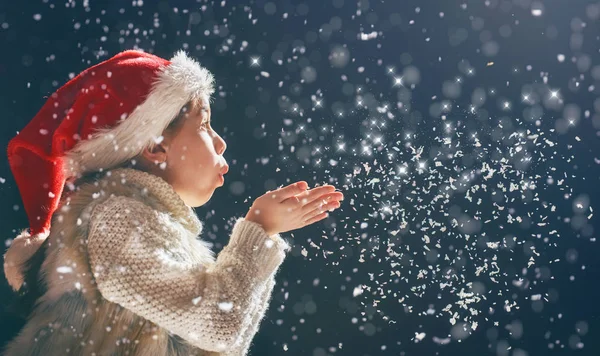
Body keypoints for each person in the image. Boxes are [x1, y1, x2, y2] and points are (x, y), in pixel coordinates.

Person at [2, 49, 344, 356]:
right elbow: (220, 327)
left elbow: (227, 337)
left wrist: (264, 235)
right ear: (154, 146)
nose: (221, 142)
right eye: (206, 124)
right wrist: (258, 229)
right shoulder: (116, 221)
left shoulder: (138, 225)